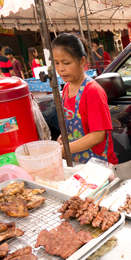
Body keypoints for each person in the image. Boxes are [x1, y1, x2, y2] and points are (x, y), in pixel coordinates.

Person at [52, 33, 118, 165]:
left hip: (99, 165)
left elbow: (97, 135)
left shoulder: (93, 91)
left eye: (66, 63)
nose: (60, 69)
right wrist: (63, 139)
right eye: (56, 63)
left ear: (82, 61)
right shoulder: (66, 89)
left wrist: (62, 150)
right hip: (78, 162)